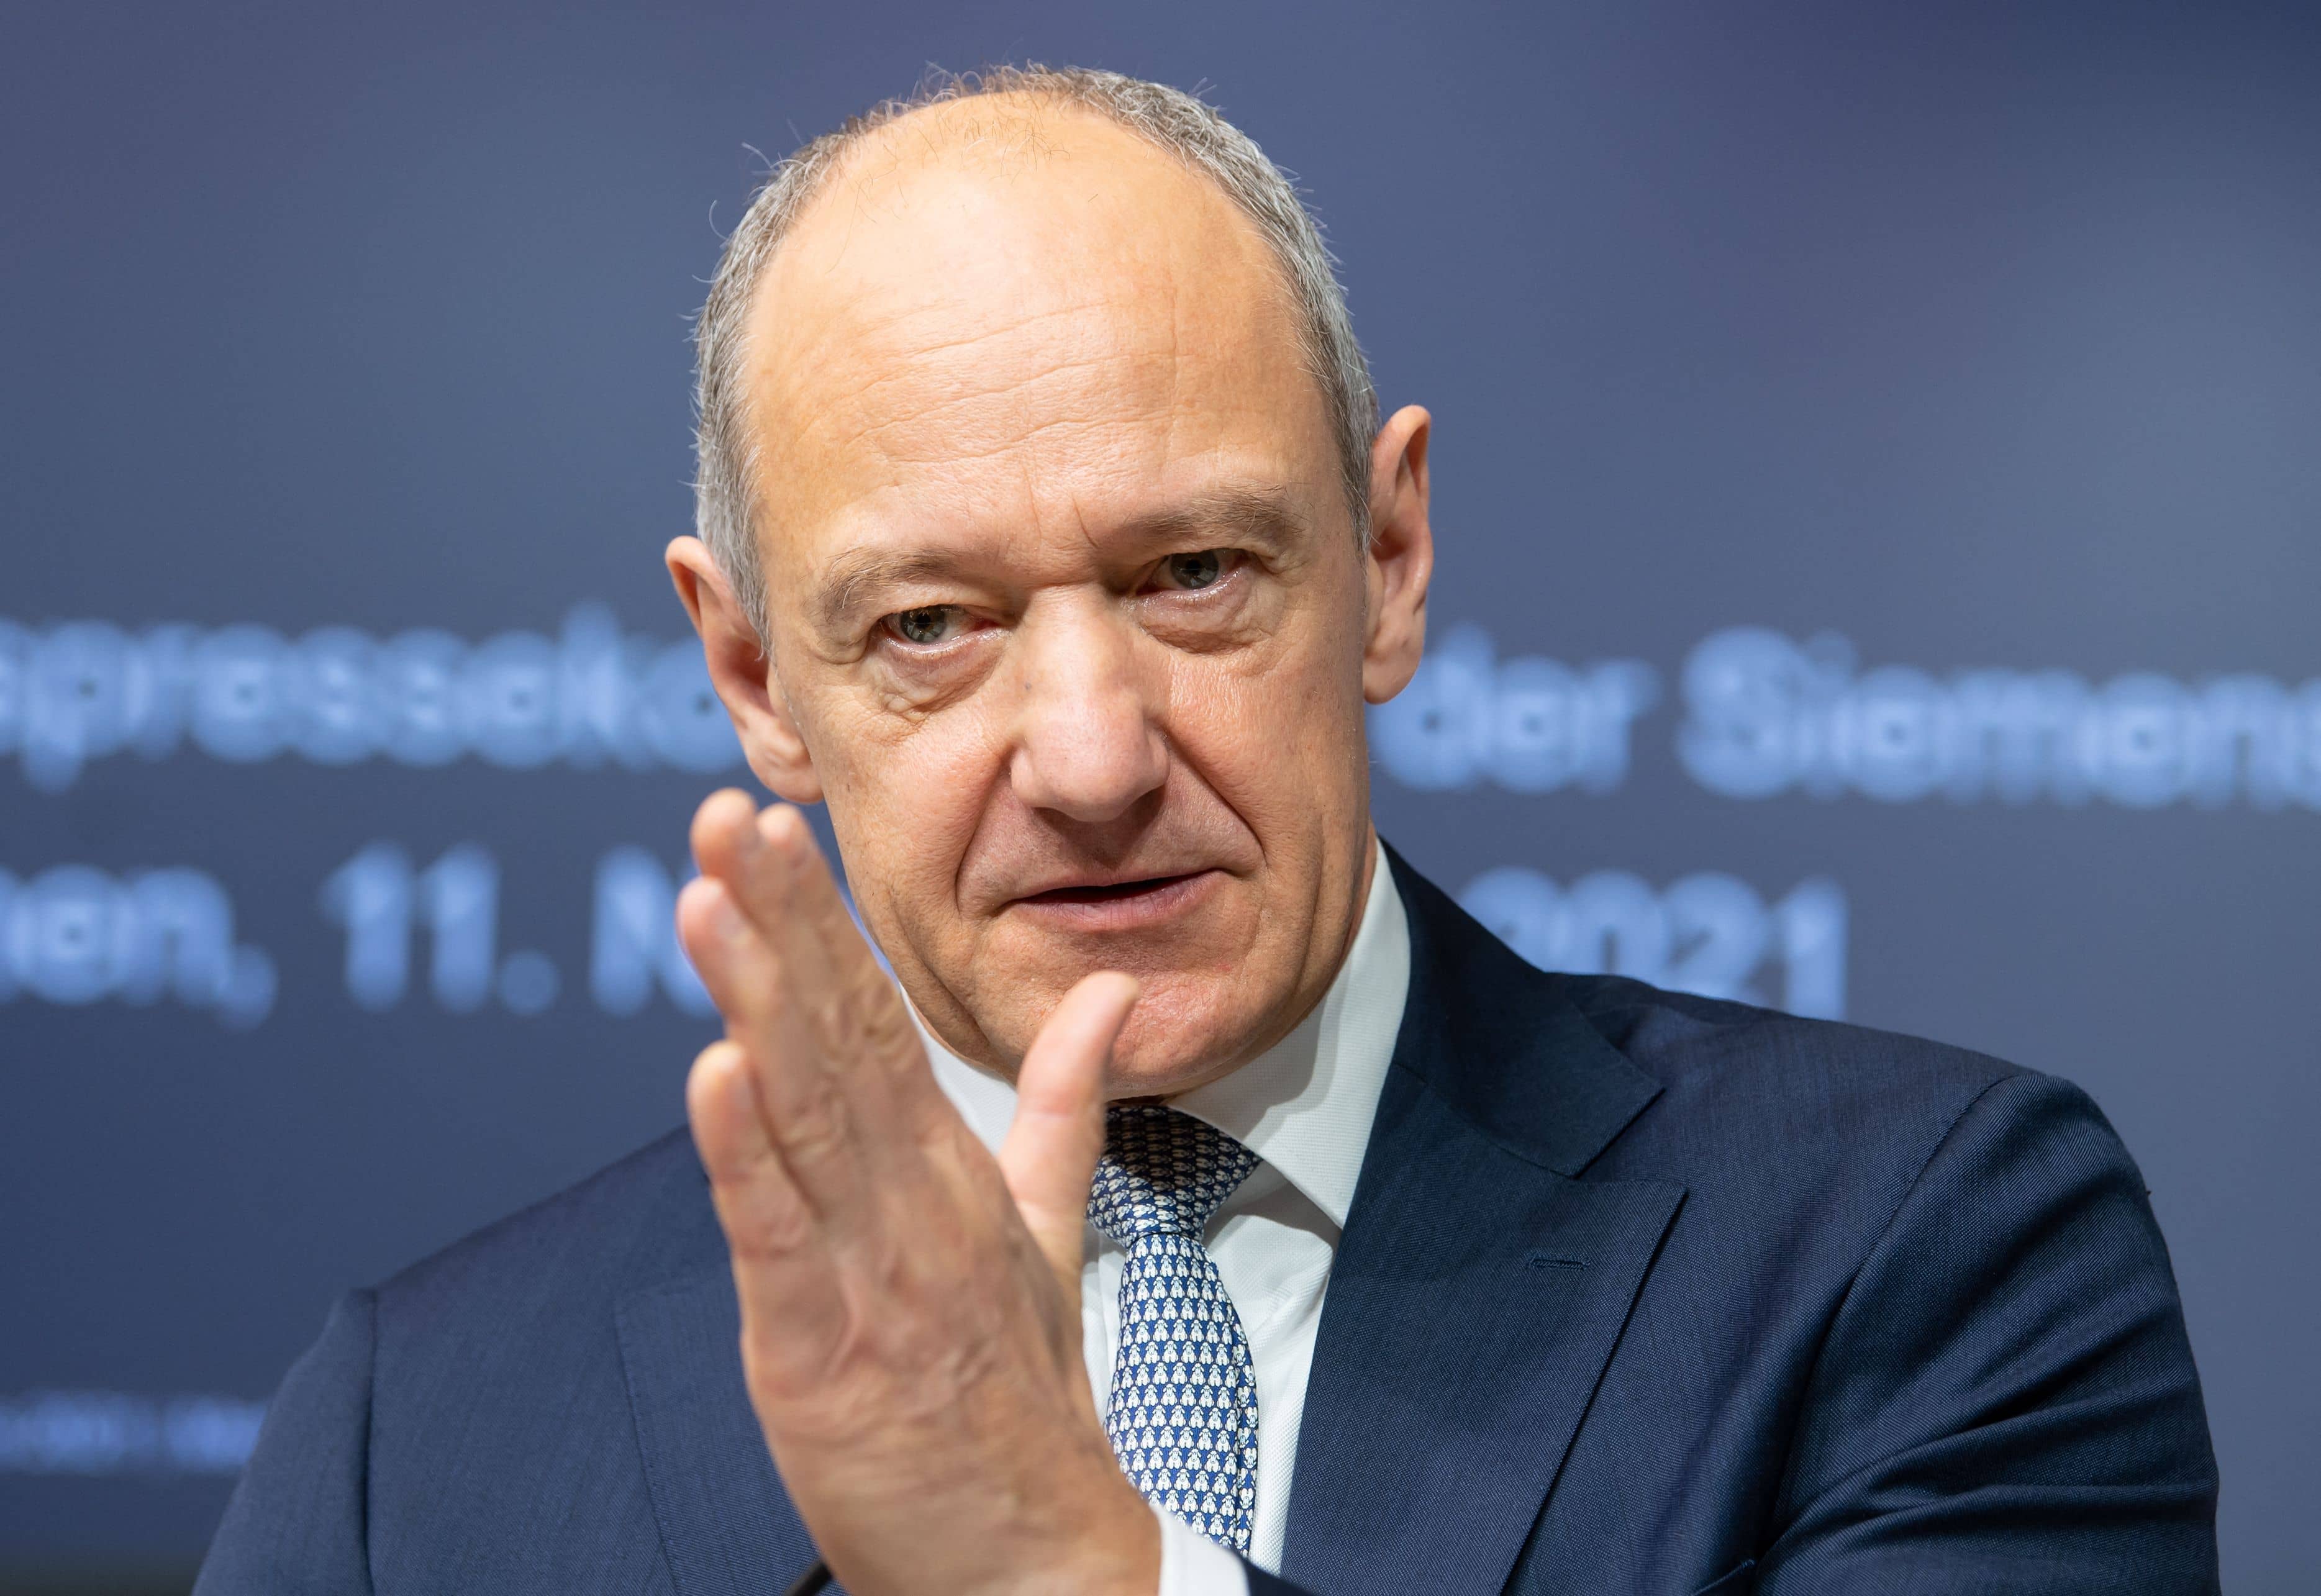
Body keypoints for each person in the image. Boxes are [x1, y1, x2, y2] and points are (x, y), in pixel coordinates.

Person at [198, 65, 2219, 1595]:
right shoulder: (412, 1442)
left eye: (1190, 574)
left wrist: (1079, 1572)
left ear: (1387, 557)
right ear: (752, 677)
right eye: (930, 624)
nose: (1090, 757)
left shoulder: (1917, 1250)